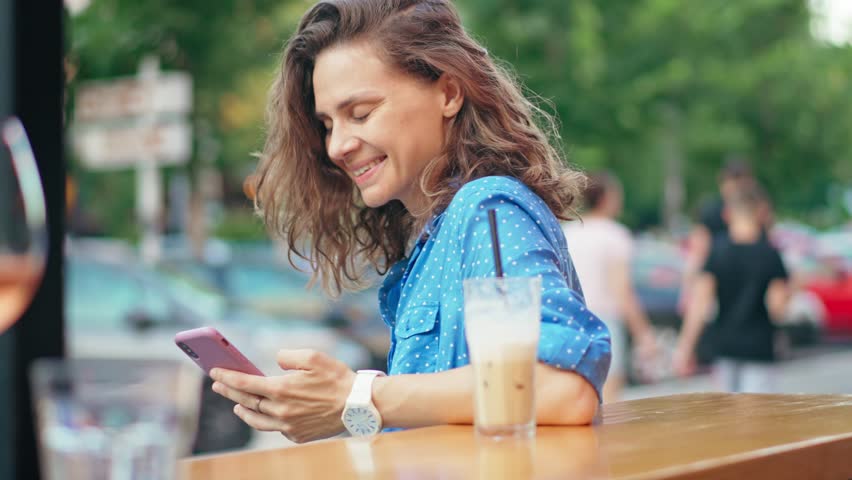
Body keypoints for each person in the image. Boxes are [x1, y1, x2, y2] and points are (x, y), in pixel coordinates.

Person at [208, 0, 610, 443]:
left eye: (360, 113)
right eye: (327, 124)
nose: (337, 145)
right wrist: (344, 411)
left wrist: (358, 395)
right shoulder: (431, 234)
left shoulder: (488, 210)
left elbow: (563, 390)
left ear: (449, 93)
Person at [672, 185, 791, 392]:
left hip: (725, 346)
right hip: (759, 348)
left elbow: (700, 303)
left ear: (727, 214)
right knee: (756, 418)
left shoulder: (717, 253)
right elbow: (777, 309)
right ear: (760, 212)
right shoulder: (771, 255)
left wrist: (685, 348)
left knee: (728, 415)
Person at [562, 171, 657, 402]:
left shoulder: (568, 232)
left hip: (571, 320)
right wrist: (644, 333)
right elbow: (621, 290)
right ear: (606, 198)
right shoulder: (615, 235)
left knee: (578, 395)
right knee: (610, 395)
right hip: (605, 322)